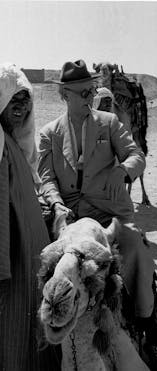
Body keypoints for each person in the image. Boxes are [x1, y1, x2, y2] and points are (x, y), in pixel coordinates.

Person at [38, 59, 157, 351]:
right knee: (45, 262)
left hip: (111, 215)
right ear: (65, 95)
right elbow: (46, 177)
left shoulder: (109, 123)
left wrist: (123, 170)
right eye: (83, 92)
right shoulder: (49, 133)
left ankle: (147, 320)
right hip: (72, 220)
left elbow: (137, 156)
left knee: (137, 247)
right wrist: (57, 203)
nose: (90, 96)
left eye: (92, 90)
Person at [0, 63, 61, 370]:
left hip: (27, 260)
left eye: (26, 99)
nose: (22, 106)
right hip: (11, 265)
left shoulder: (13, 145)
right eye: (14, 99)